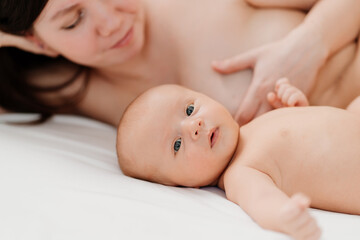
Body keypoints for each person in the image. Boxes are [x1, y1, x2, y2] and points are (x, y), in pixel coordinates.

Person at [1, 0, 360, 126]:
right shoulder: (80, 89)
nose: (111, 22)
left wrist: (312, 42)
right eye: (74, 20)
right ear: (39, 41)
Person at [116, 81, 360, 240]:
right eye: (177, 145)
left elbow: (317, 135)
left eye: (190, 109)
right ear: (182, 184)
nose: (194, 125)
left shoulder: (254, 125)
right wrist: (283, 215)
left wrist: (298, 106)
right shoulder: (241, 173)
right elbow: (261, 201)